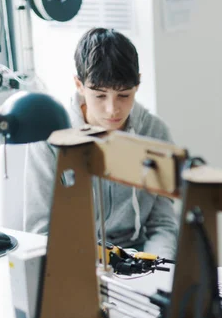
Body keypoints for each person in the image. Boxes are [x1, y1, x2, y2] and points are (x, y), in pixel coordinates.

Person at [24, 28, 179, 260]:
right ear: (79, 85)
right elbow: (41, 231)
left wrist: (157, 268)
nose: (112, 109)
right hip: (76, 260)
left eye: (124, 95)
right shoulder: (50, 139)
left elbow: (163, 225)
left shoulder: (154, 133)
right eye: (99, 96)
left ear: (138, 84)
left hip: (139, 260)